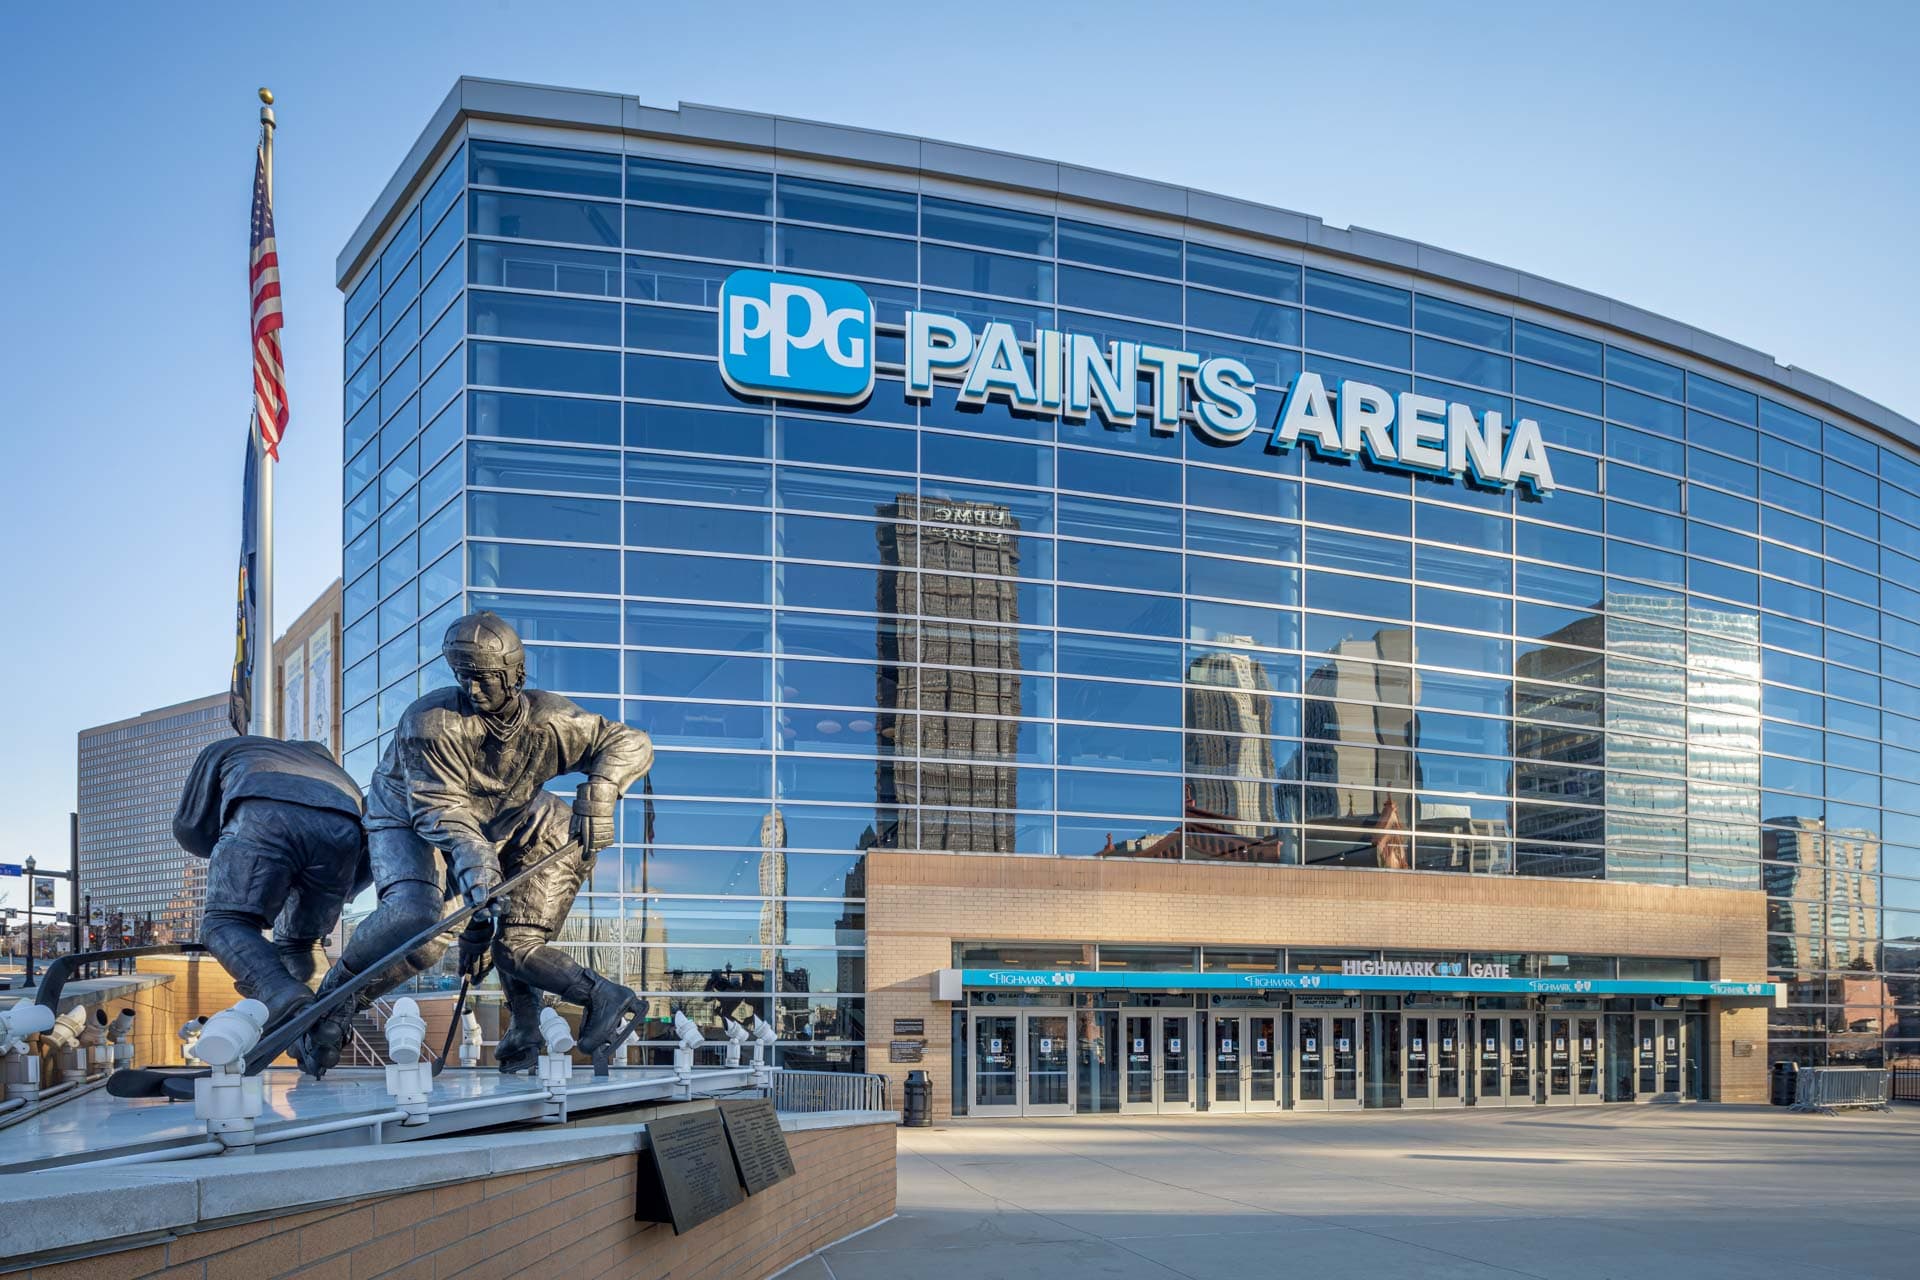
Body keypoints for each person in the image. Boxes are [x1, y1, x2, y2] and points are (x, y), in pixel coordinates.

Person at [298, 611, 652, 1077]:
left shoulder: (552, 720)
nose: (473, 689)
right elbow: (441, 809)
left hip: (509, 816)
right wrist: (479, 882)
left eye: (484, 678)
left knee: (518, 943)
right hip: (410, 815)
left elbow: (628, 741)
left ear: (516, 676)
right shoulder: (432, 722)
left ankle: (536, 1025)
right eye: (464, 677)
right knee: (418, 919)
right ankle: (336, 1001)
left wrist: (601, 791)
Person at [173, 736, 370, 1031]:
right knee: (301, 943)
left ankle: (278, 990)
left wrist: (236, 863)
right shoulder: (342, 779)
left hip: (264, 815)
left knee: (224, 922)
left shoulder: (231, 748)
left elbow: (189, 827)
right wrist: (344, 890)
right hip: (344, 832)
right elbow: (370, 839)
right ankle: (325, 1028)